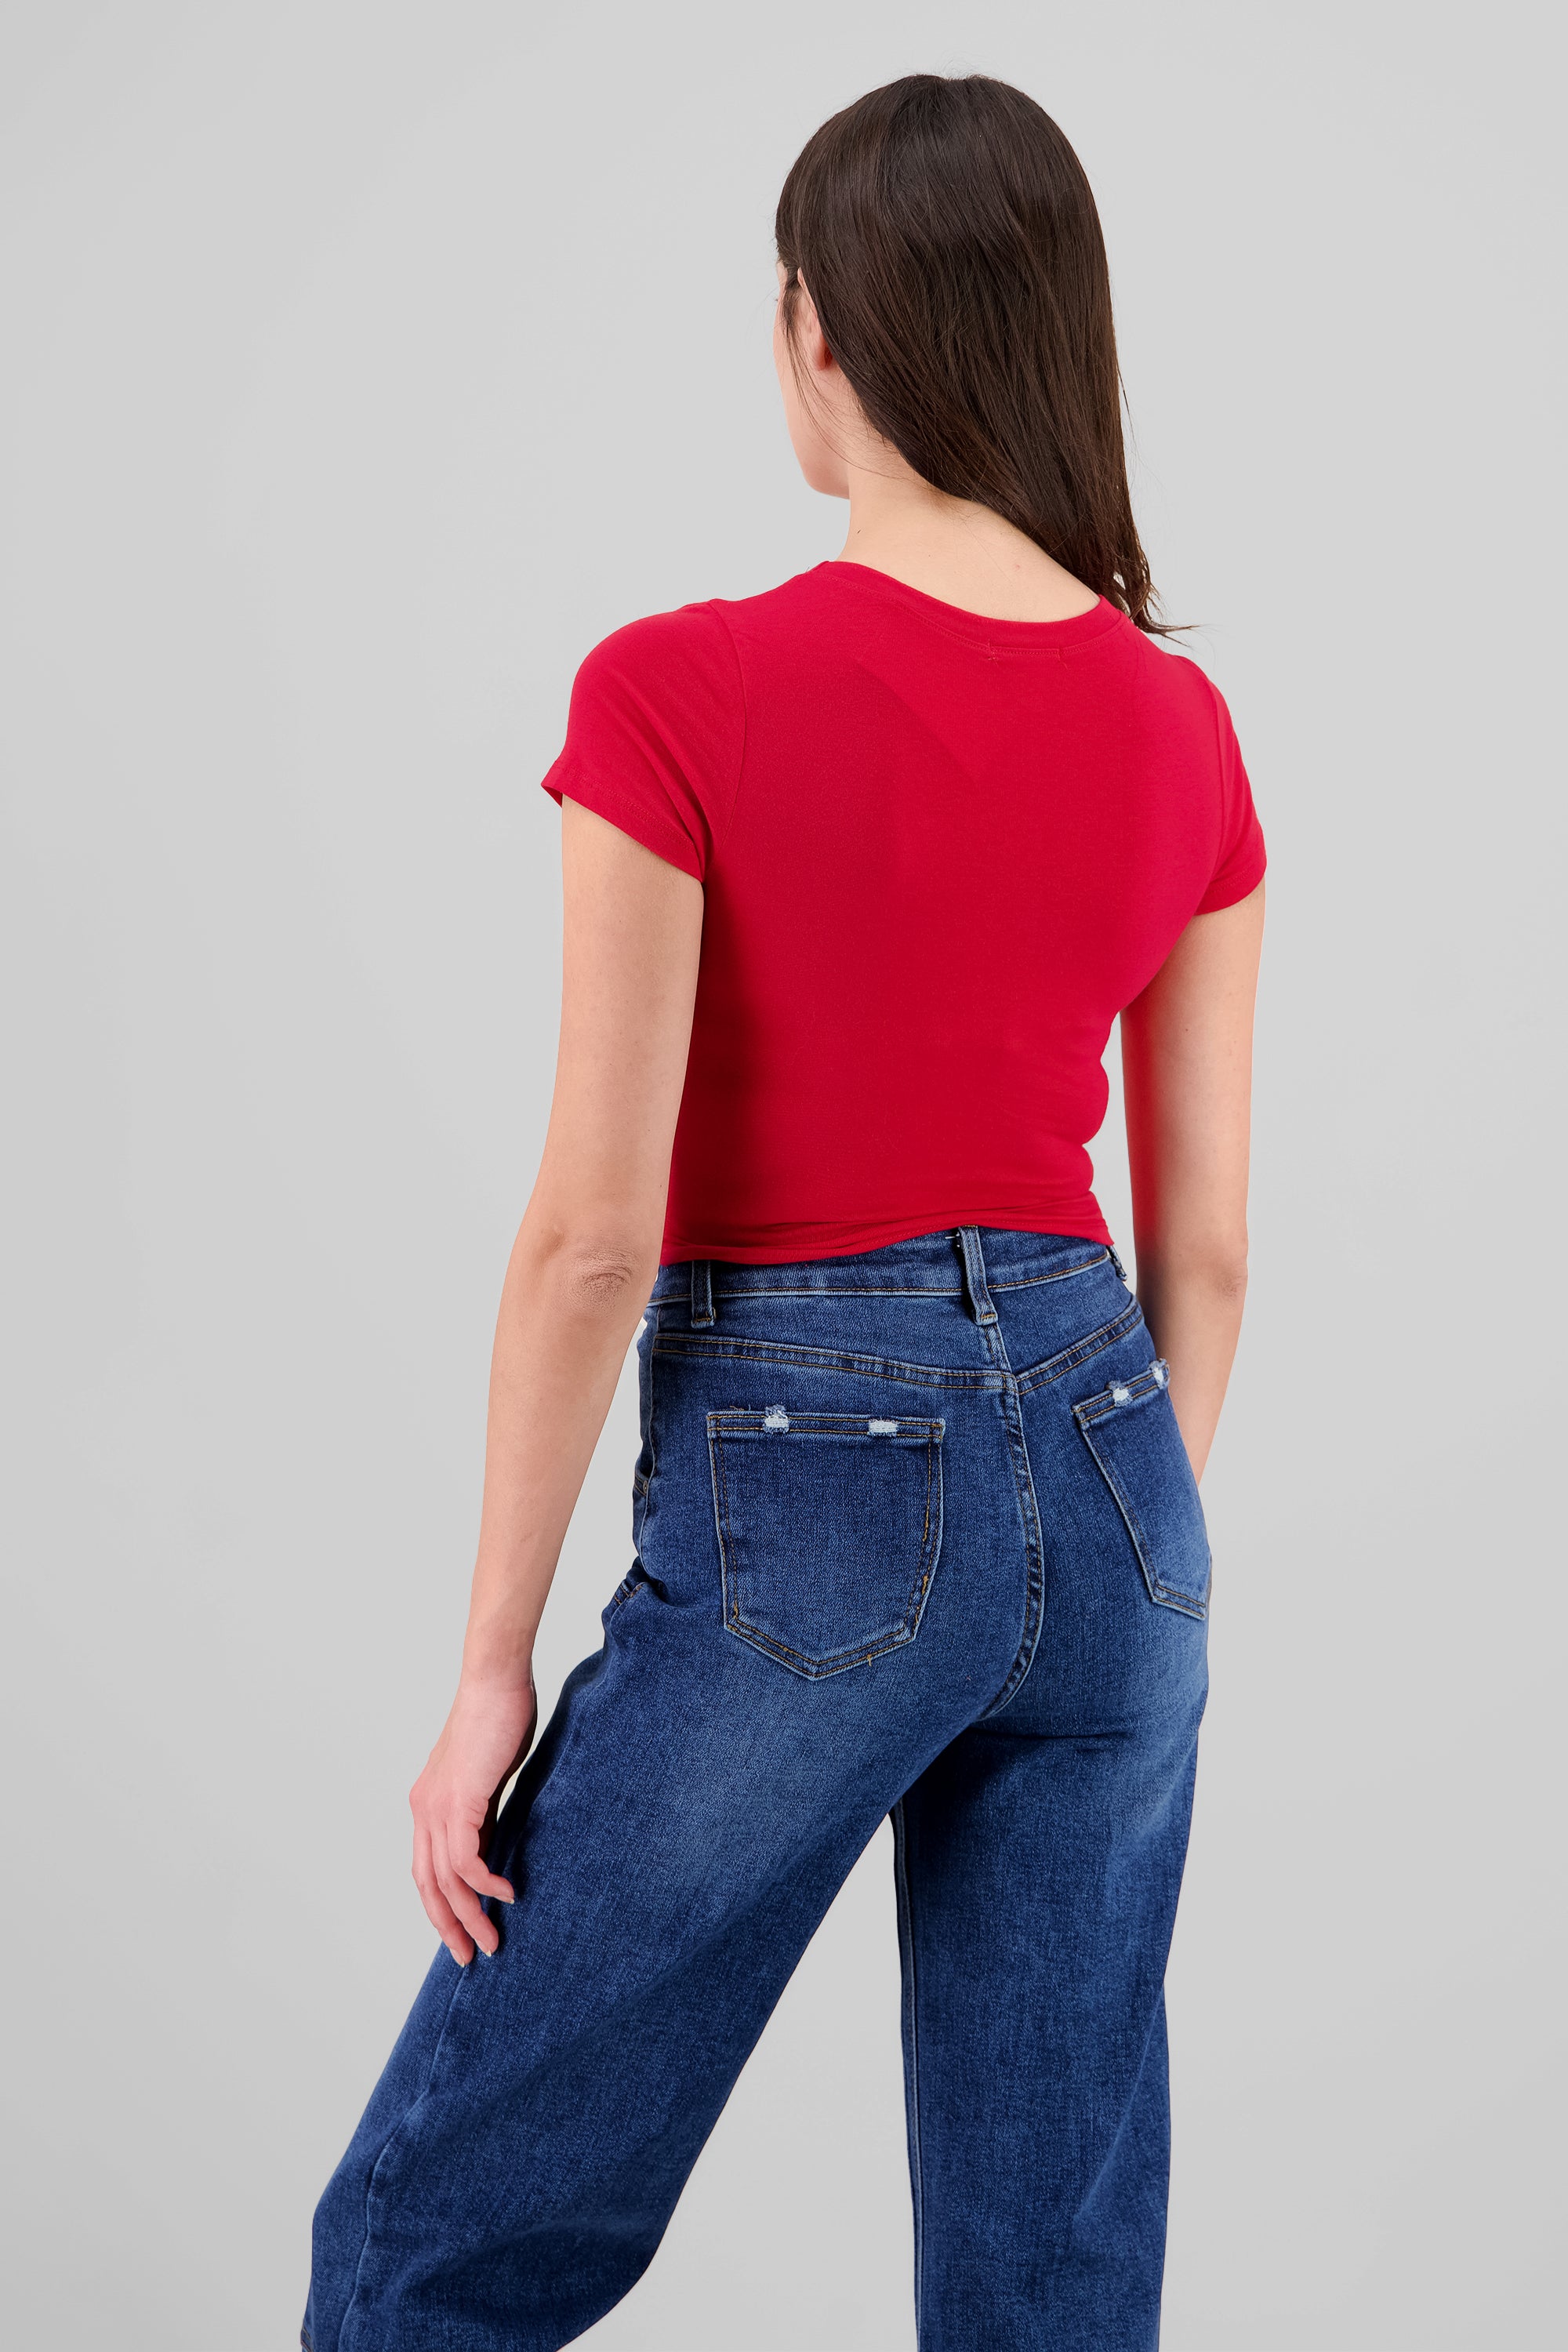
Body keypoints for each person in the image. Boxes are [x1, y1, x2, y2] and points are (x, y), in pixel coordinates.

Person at [304, 70, 1265, 2352]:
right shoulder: (1185, 728)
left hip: (816, 1478)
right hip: (1122, 1481)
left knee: (434, 2250)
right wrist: (1102, 1531)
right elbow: (1209, 1249)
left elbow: (592, 1234)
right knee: (1051, 2288)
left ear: (822, 329)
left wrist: (486, 1674)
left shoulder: (684, 691)